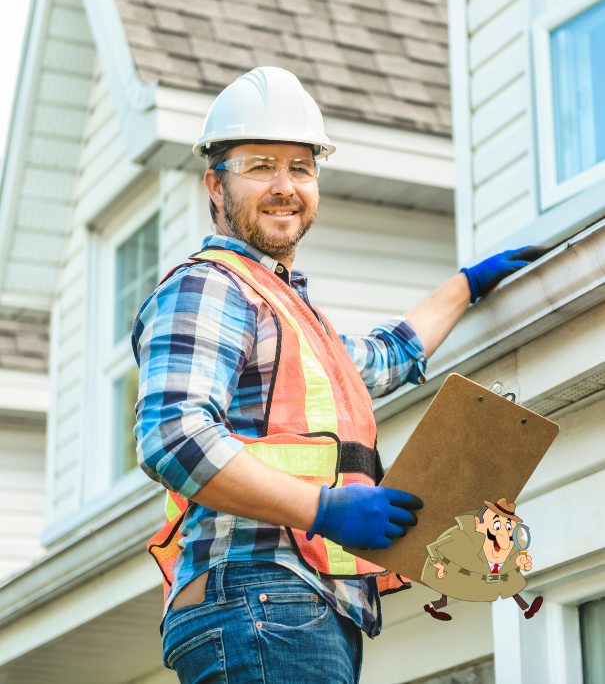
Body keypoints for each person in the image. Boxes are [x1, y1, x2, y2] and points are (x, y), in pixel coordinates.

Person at [132, 67, 546, 684]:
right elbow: (173, 437)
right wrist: (327, 510)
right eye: (260, 166)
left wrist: (467, 285)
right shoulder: (211, 284)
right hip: (262, 594)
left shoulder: (292, 314)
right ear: (215, 186)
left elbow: (387, 355)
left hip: (291, 607)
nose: (284, 186)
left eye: (300, 168)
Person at [421, 498, 542, 621]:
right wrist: (439, 565)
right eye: (497, 526)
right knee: (448, 587)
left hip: (482, 580)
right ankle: (433, 606)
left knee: (509, 582)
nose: (504, 533)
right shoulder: (462, 538)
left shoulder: (513, 546)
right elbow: (434, 547)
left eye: (509, 528)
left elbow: (513, 563)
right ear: (478, 524)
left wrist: (521, 564)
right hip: (457, 574)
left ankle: (526, 609)